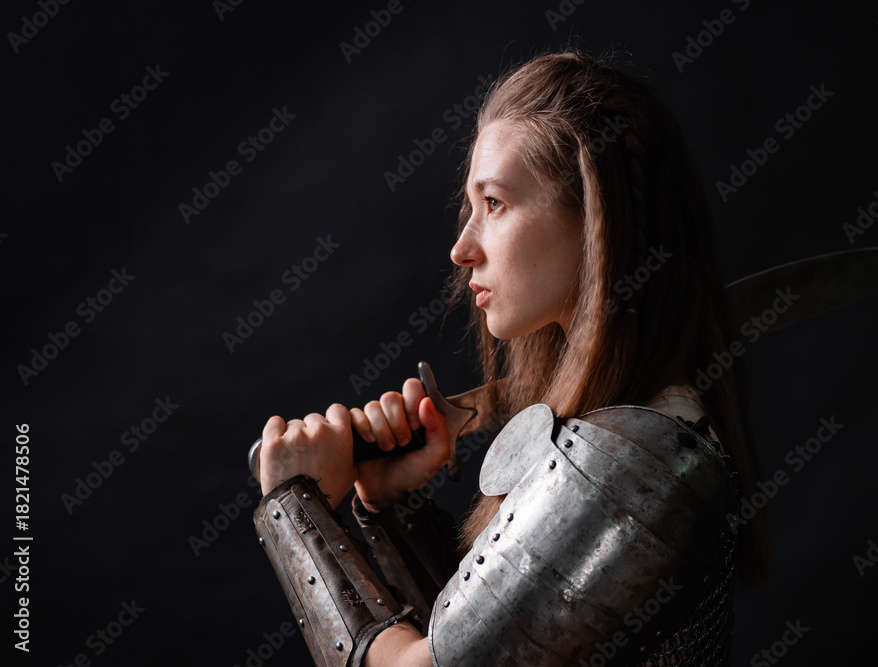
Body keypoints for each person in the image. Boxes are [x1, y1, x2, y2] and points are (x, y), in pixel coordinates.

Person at [254, 50, 770, 666]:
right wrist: (383, 506)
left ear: (595, 219)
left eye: (494, 204)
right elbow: (487, 648)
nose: (461, 248)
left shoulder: (634, 460)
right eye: (469, 208)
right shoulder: (622, 436)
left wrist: (294, 509)